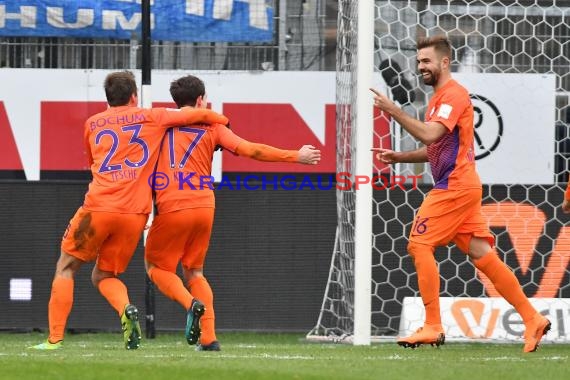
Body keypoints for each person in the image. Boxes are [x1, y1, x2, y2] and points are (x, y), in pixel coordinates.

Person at [370, 35, 550, 353]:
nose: (420, 66)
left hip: (454, 186)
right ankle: (532, 318)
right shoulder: (440, 98)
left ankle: (433, 325)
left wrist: (392, 110)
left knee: (419, 244)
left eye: (426, 61)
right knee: (482, 255)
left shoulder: (453, 95)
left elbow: (431, 134)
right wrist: (399, 157)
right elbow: (436, 148)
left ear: (444, 62)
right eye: (418, 61)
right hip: (461, 185)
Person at [31, 70, 229, 350]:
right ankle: (159, 306)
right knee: (105, 274)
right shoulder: (151, 116)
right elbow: (195, 115)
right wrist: (222, 120)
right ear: (134, 96)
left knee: (66, 268)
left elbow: (91, 163)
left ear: (108, 98)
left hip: (98, 207)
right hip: (135, 214)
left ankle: (55, 340)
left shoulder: (92, 123)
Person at [144, 74, 321, 351]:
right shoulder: (214, 127)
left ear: (176, 102)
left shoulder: (160, 125)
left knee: (157, 268)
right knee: (195, 272)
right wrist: (295, 156)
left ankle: (191, 306)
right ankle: (209, 339)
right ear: (201, 99)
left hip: (172, 203)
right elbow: (252, 150)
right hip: (204, 204)